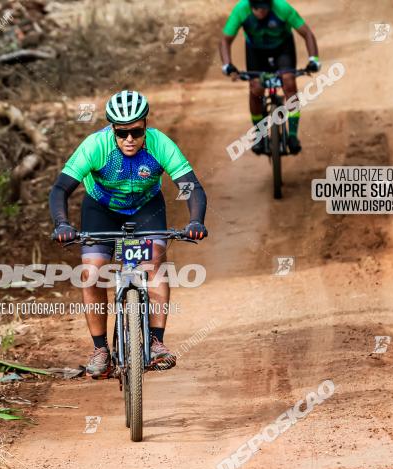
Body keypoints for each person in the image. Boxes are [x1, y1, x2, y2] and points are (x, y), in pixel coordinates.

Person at [48, 90, 208, 378]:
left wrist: (196, 220)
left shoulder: (160, 144)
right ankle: (100, 350)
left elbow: (192, 186)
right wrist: (62, 223)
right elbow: (61, 189)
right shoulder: (95, 146)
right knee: (92, 271)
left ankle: (156, 342)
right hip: (101, 208)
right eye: (122, 134)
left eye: (136, 131)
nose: (130, 139)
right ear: (112, 129)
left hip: (147, 208)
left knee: (154, 264)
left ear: (145, 125)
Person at [218, 0, 320, 154]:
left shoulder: (282, 8)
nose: (262, 12)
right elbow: (225, 40)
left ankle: (292, 135)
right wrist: (227, 64)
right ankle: (259, 135)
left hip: (283, 49)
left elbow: (307, 33)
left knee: (289, 82)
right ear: (250, 6)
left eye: (265, 8)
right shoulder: (241, 10)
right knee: (255, 88)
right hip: (256, 52)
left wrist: (314, 60)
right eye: (257, 9)